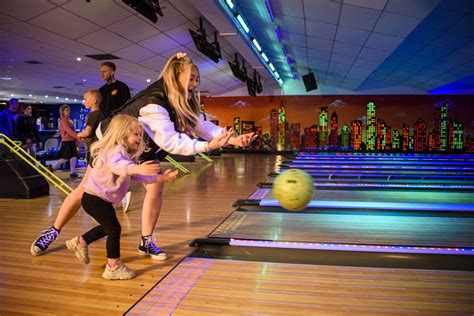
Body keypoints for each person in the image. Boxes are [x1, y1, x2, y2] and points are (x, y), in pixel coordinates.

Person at [31, 52, 256, 259]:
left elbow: (200, 125)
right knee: (85, 190)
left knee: (156, 188)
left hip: (142, 145)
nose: (195, 84)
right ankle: (52, 231)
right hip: (113, 141)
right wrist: (207, 147)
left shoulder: (179, 99)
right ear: (176, 76)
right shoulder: (155, 104)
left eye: (197, 79)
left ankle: (146, 241)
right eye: (191, 78)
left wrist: (232, 139)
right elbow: (170, 142)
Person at [65, 115, 178, 280]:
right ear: (122, 134)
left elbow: (132, 175)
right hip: (94, 198)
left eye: (140, 134)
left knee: (107, 227)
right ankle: (113, 267)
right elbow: (121, 167)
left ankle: (81, 241)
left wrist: (159, 179)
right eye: (136, 134)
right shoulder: (115, 151)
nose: (140, 138)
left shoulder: (125, 154)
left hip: (99, 199)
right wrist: (137, 169)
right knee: (114, 229)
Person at [99, 61, 132, 211]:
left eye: (105, 71)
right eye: (101, 71)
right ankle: (111, 195)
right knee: (108, 161)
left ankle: (123, 194)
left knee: (120, 159)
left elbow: (127, 107)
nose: (102, 74)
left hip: (119, 128)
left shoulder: (122, 87)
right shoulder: (101, 90)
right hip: (105, 129)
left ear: (113, 72)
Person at [49, 105, 81, 178]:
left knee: (74, 157)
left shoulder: (69, 120)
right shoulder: (63, 120)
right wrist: (77, 137)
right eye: (67, 110)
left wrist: (76, 139)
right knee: (65, 158)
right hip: (66, 142)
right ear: (62, 112)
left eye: (69, 110)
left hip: (71, 141)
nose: (69, 112)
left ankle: (72, 172)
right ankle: (53, 168)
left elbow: (73, 131)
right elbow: (68, 130)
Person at [77, 89, 104, 165]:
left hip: (92, 147)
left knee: (91, 168)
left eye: (86, 99)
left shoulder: (92, 115)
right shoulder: (100, 114)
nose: (84, 102)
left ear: (94, 101)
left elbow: (87, 132)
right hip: (98, 146)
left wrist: (79, 134)